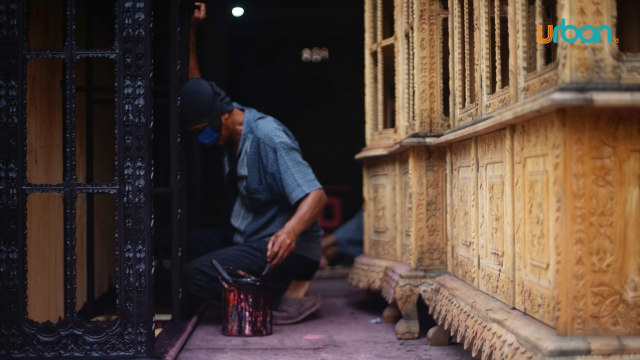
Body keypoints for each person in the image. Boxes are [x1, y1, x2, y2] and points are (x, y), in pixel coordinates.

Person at [181, 3, 327, 325]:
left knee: (194, 276)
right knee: (181, 241)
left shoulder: (268, 138)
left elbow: (316, 195)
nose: (202, 139)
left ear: (221, 116)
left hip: (288, 250)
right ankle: (268, 287)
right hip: (247, 234)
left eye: (204, 131)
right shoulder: (221, 127)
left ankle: (281, 292)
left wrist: (289, 235)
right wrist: (192, 32)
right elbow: (196, 90)